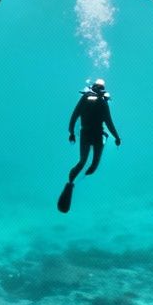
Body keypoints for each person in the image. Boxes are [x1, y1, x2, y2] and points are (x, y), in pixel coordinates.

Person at [59, 78, 120, 212]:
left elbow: (74, 116)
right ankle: (74, 183)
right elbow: (109, 123)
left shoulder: (85, 99)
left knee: (84, 162)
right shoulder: (103, 103)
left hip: (86, 134)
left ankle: (71, 183)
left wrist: (71, 133)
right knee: (92, 165)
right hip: (96, 135)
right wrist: (116, 137)